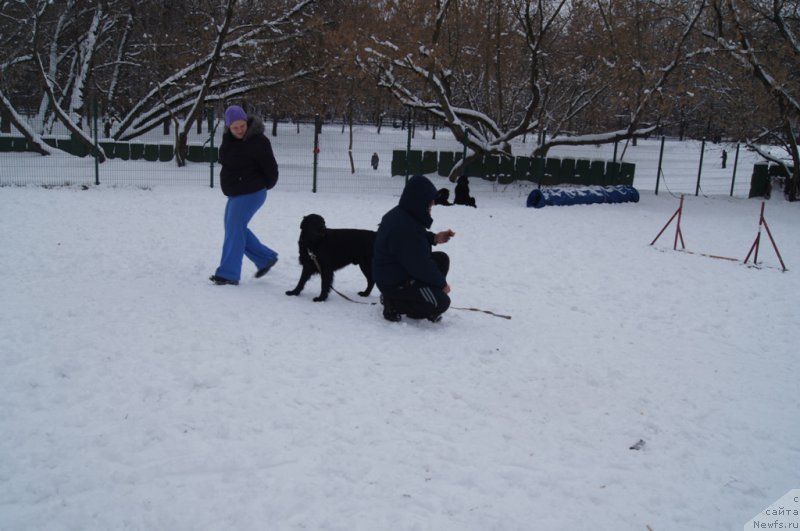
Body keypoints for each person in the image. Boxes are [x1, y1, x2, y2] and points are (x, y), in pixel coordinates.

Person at [209, 105, 279, 285]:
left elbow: (271, 169)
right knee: (234, 229)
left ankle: (228, 273)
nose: (239, 130)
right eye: (235, 127)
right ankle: (265, 258)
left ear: (247, 122)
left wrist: (263, 185)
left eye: (242, 126)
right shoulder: (228, 140)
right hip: (236, 193)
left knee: (234, 229)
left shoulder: (259, 141)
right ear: (228, 127)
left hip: (252, 192)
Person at [373, 175, 455, 323]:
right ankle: (393, 302)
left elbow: (417, 239)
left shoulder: (403, 215)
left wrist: (434, 238)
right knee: (442, 302)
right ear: (418, 202)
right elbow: (421, 265)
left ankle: (421, 298)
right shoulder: (405, 227)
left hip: (397, 271)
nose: (430, 209)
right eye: (429, 206)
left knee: (441, 259)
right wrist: (442, 285)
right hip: (394, 283)